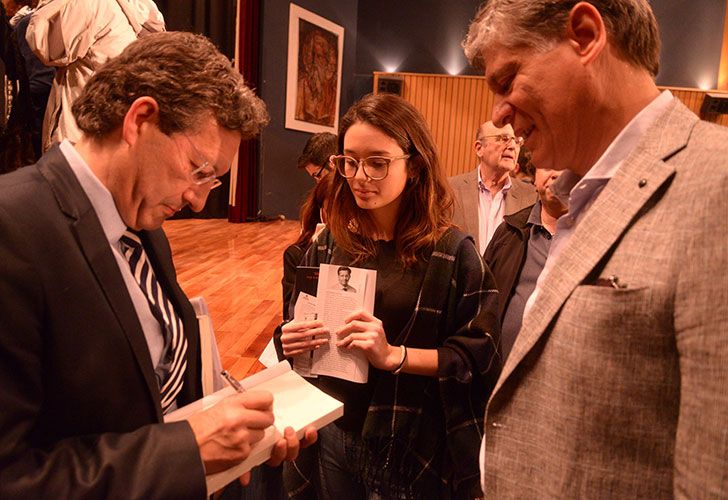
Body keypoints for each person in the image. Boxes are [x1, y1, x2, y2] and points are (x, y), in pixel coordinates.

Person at [0, 31, 315, 499]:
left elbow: (153, 382)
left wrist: (235, 418)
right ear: (140, 119)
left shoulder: (145, 225)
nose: (198, 199)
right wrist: (188, 450)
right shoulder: (13, 228)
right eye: (198, 169)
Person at [463, 0, 728, 496]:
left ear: (584, 35)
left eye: (506, 81)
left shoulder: (716, 184)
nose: (498, 113)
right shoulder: (578, 195)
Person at [279, 93, 500, 499]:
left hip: (409, 440)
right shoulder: (331, 243)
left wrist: (393, 355)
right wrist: (289, 339)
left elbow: (476, 356)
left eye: (378, 162)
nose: (360, 176)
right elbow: (297, 323)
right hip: (332, 427)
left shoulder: (452, 252)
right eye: (348, 161)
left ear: (414, 164)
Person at [26, 0, 165, 151]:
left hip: (84, 129)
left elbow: (44, 44)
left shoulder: (90, 4)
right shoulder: (140, 5)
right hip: (120, 124)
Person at [483, 168, 567, 361]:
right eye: (547, 166)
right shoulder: (509, 231)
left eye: (563, 167)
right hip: (497, 371)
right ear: (535, 174)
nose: (555, 175)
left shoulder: (593, 239)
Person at [450, 120, 537, 254]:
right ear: (479, 148)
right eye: (504, 139)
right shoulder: (450, 189)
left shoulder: (531, 196)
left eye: (517, 141)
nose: (512, 146)